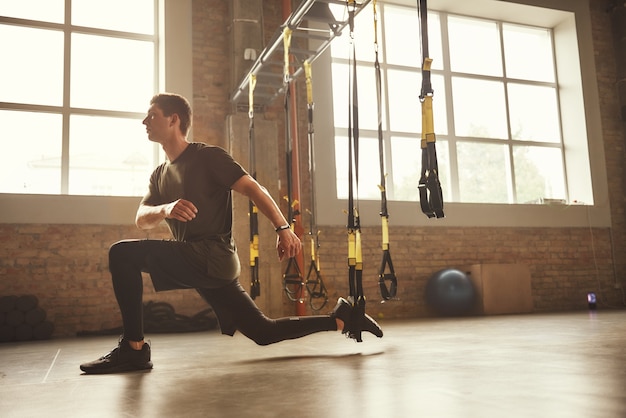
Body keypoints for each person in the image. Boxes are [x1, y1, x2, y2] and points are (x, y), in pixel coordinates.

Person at [80, 93, 383, 374]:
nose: (145, 122)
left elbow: (253, 188)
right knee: (263, 332)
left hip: (212, 255)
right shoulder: (159, 175)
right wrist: (165, 209)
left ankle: (133, 349)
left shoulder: (207, 157)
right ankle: (343, 318)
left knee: (121, 254)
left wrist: (283, 228)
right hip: (200, 262)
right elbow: (141, 218)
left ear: (174, 120)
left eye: (152, 116)